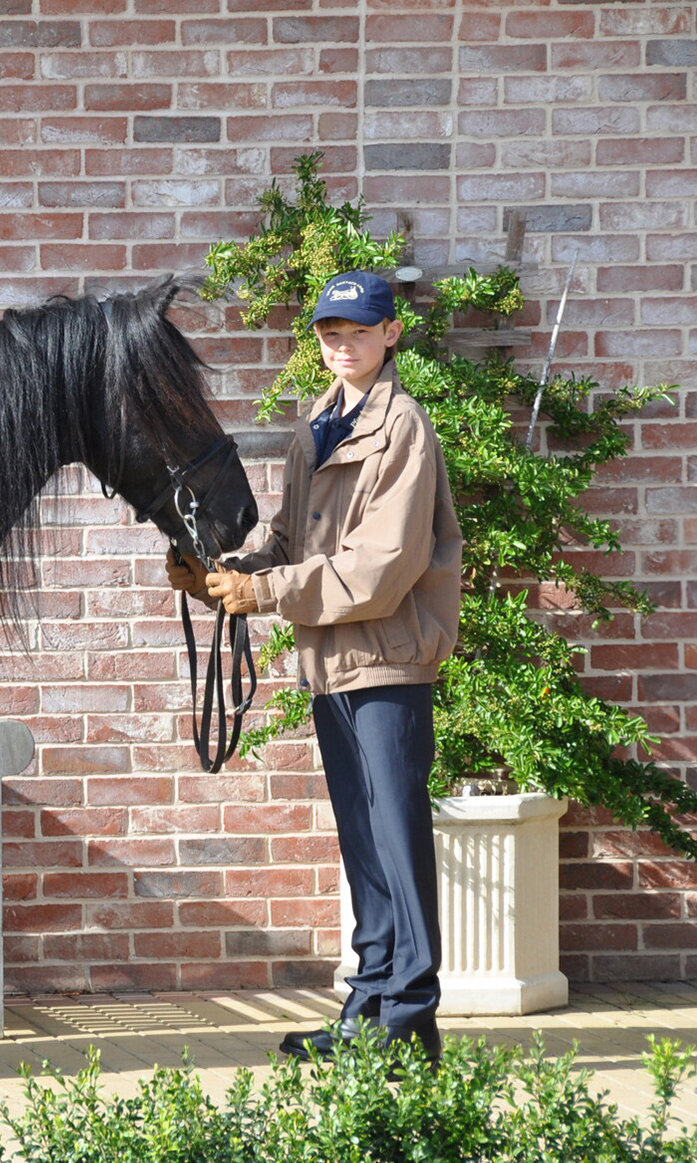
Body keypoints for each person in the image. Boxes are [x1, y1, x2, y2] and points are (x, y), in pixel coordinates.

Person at [169, 270, 463, 1063]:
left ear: (391, 335)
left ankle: (410, 1011)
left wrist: (260, 591)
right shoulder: (318, 429)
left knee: (396, 835)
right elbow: (289, 541)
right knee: (363, 839)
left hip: (388, 662)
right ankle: (370, 1005)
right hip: (334, 664)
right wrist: (219, 570)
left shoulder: (403, 429)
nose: (342, 345)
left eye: (358, 331)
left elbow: (382, 565)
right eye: (331, 333)